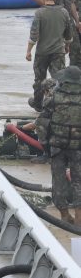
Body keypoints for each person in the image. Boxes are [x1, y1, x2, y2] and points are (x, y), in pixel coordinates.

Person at [28, 0, 74, 110]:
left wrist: (28, 51)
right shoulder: (64, 12)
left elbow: (33, 35)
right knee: (58, 79)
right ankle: (58, 104)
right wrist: (67, 46)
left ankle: (38, 104)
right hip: (58, 52)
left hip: (42, 52)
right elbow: (68, 34)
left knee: (39, 80)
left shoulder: (40, 13)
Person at [46, 66, 81, 223]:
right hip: (78, 147)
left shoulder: (55, 96)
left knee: (58, 181)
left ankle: (65, 216)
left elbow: (42, 119)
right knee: (79, 181)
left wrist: (44, 144)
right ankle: (80, 220)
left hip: (57, 146)